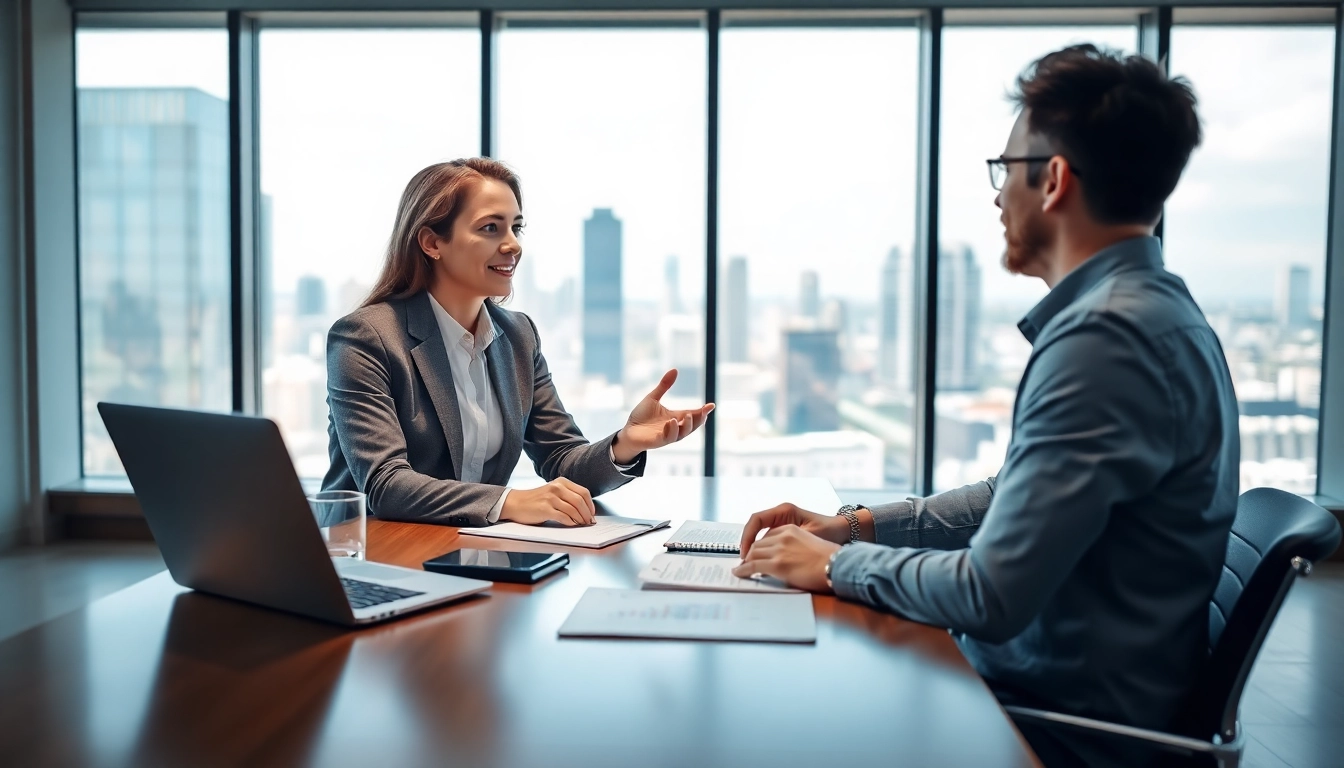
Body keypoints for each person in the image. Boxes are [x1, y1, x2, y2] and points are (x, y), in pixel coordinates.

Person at [733, 45, 1237, 767]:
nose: (999, 196)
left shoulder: (1106, 339)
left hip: (1049, 726)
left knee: (765, 720)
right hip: (1048, 694)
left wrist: (832, 566)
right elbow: (1013, 496)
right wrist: (855, 526)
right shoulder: (1153, 312)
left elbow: (989, 593)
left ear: (1054, 180)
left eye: (1006, 171)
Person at [322, 158, 713, 527]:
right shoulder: (365, 337)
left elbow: (561, 460)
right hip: (368, 556)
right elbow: (386, 485)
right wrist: (510, 502)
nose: (513, 245)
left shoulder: (517, 336)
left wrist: (625, 443)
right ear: (432, 243)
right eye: (491, 228)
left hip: (468, 554)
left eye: (516, 228)